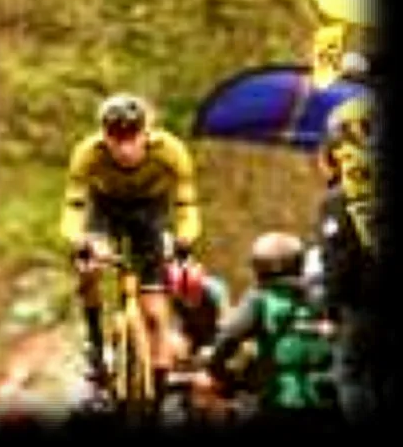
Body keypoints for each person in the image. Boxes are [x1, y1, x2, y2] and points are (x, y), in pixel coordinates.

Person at [61, 93, 201, 407]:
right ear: (103, 135)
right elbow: (73, 207)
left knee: (154, 312)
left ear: (146, 132)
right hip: (105, 210)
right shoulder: (87, 152)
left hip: (151, 212)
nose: (124, 147)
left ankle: (159, 388)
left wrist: (184, 238)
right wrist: (78, 241)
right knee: (90, 265)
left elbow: (186, 205)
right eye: (115, 138)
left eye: (131, 137)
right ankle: (95, 344)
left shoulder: (171, 151)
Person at [193, 232, 339, 422]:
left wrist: (215, 370)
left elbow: (228, 338)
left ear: (258, 267)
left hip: (280, 403)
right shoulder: (324, 296)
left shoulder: (259, 298)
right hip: (328, 402)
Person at [313, 95, 379, 424]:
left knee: (351, 375)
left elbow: (338, 258)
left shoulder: (341, 198)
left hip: (364, 303)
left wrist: (329, 309)